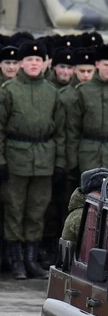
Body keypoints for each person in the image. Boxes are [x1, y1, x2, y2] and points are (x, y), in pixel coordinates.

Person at [0, 40, 66, 279]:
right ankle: (17, 260)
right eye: (29, 60)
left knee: (37, 210)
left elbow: (60, 131)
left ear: (44, 63)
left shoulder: (51, 92)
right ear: (21, 63)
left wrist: (59, 164)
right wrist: (1, 162)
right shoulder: (8, 90)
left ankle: (31, 259)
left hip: (44, 159)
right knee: (15, 209)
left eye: (38, 60)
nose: (34, 64)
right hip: (16, 156)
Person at [65, 44, 108, 175]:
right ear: (97, 64)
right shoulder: (83, 91)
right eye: (106, 65)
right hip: (88, 153)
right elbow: (73, 128)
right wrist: (72, 161)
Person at [62, 167, 108, 243]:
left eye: (104, 191)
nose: (101, 196)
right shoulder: (78, 216)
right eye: (98, 191)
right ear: (87, 194)